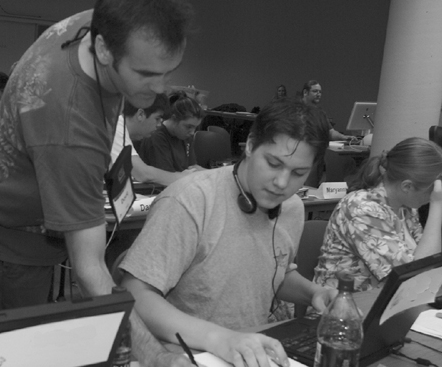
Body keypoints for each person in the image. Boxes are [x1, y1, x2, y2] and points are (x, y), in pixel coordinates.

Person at [0, 1, 196, 366]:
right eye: (146, 74)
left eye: (168, 72)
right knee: (10, 353)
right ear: (104, 48)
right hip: (11, 244)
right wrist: (160, 359)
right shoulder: (69, 125)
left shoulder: (103, 23)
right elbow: (91, 274)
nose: (159, 91)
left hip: (23, 210)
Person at [119, 98, 337, 367]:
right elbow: (134, 294)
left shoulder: (291, 208)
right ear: (251, 145)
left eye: (298, 173)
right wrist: (220, 339)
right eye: (273, 164)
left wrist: (313, 293)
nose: (282, 183)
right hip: (186, 354)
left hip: (250, 349)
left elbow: (273, 273)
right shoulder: (191, 199)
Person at [313, 137, 442, 292]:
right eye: (432, 192)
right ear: (407, 186)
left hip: (387, 304)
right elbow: (415, 279)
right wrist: (438, 205)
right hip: (345, 308)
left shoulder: (405, 207)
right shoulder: (362, 209)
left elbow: (428, 267)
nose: (433, 197)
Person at [110, 95, 196, 186]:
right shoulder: (116, 129)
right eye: (157, 119)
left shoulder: (120, 128)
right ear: (140, 115)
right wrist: (184, 178)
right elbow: (142, 174)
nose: (159, 124)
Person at [138, 91, 204, 172]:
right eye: (189, 127)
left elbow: (193, 166)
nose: (192, 132)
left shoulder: (185, 136)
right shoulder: (156, 137)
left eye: (195, 128)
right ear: (174, 119)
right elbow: (166, 175)